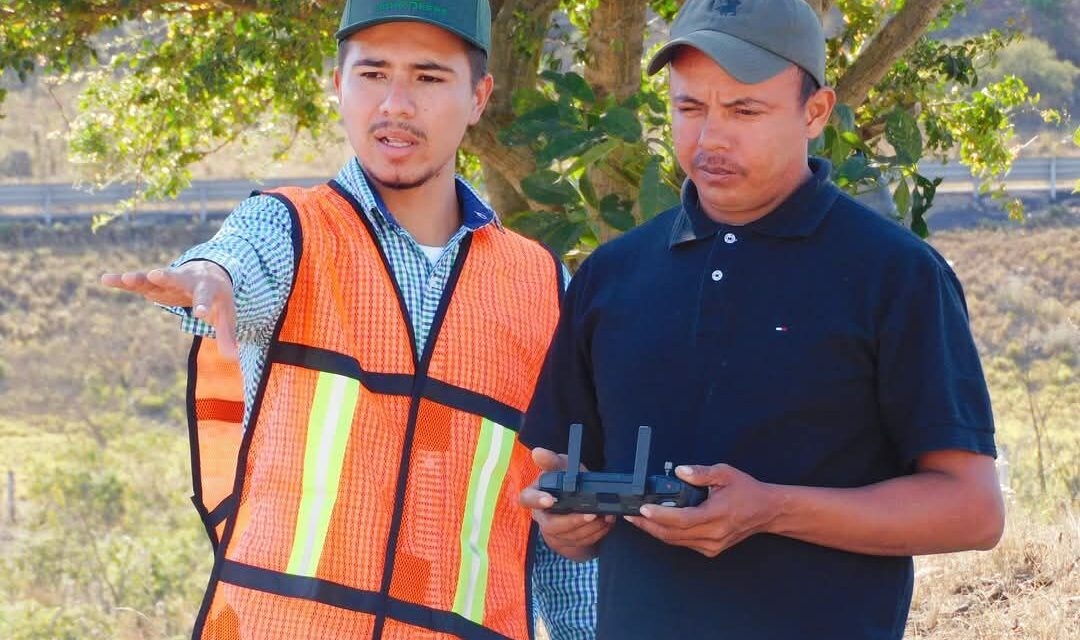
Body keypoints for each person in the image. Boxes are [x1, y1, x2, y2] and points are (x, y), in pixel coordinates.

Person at [102, 1, 596, 638]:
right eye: (372, 74)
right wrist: (209, 278)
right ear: (338, 86)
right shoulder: (291, 227)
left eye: (427, 76)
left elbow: (562, 526)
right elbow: (237, 262)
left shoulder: (543, 286)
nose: (396, 104)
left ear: (478, 96)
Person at [518, 0, 1004, 638]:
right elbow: (564, 497)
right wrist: (566, 522)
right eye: (689, 108)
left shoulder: (898, 276)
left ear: (816, 112)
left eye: (745, 110)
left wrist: (773, 510)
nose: (710, 137)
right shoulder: (611, 276)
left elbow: (971, 510)